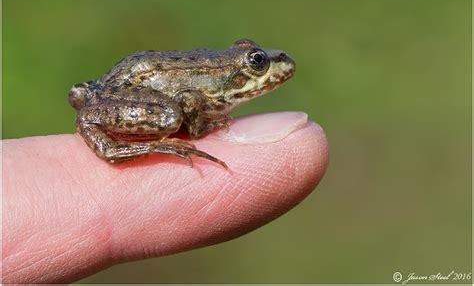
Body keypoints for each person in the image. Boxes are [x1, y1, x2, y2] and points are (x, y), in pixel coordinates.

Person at [2, 112, 329, 283]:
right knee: (169, 120)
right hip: (131, 99)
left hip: (129, 88)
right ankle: (138, 145)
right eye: (257, 64)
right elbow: (195, 122)